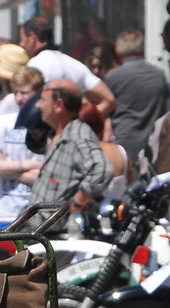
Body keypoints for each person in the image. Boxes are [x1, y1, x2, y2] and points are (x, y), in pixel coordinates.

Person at [23, 78, 110, 211]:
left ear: (59, 105)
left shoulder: (78, 134)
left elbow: (102, 169)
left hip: (55, 230)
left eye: (43, 100)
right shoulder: (59, 134)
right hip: (37, 227)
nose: (39, 105)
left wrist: (77, 203)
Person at [0, 65, 41, 227]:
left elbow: (44, 176)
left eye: (24, 93)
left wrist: (5, 167)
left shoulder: (46, 126)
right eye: (16, 92)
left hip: (36, 214)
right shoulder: (4, 122)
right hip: (3, 215)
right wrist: (27, 165)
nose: (18, 98)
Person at [19, 17, 115, 116]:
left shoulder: (34, 66)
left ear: (32, 38)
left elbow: (28, 107)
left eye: (22, 39)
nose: (21, 44)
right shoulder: (74, 65)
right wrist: (81, 124)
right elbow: (109, 100)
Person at [104, 29, 169, 170]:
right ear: (142, 48)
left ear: (118, 50)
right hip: (154, 144)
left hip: (123, 145)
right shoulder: (159, 75)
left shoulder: (113, 76)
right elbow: (165, 107)